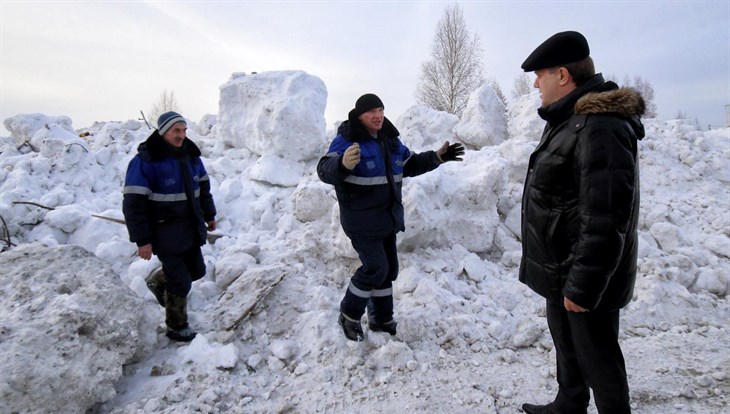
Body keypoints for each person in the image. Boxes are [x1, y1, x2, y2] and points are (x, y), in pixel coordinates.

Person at [517, 31, 645, 414]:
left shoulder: (599, 126)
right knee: (568, 347)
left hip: (585, 275)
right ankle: (569, 403)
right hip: (561, 269)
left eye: (540, 74)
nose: (535, 83)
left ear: (562, 75)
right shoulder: (568, 119)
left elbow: (607, 218)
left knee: (598, 358)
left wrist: (584, 285)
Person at [317, 93, 464, 341]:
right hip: (361, 221)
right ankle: (349, 315)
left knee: (388, 271)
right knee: (375, 268)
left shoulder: (389, 141)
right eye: (371, 112)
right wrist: (343, 164)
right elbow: (324, 169)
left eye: (381, 110)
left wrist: (437, 157)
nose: (378, 116)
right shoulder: (347, 140)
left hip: (387, 219)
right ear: (359, 116)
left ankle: (381, 319)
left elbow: (410, 164)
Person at [123, 111, 217, 342]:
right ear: (163, 131)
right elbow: (133, 204)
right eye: (176, 130)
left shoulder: (191, 157)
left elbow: (203, 189)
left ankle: (157, 282)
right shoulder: (146, 161)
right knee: (181, 281)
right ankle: (176, 326)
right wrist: (142, 239)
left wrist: (209, 215)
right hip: (163, 231)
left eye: (184, 131)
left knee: (197, 271)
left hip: (190, 228)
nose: (181, 135)